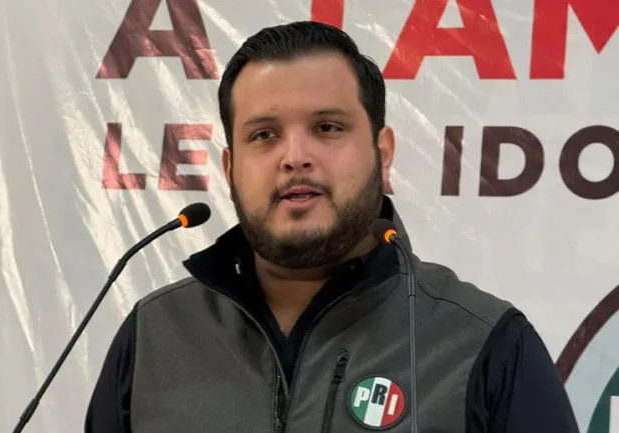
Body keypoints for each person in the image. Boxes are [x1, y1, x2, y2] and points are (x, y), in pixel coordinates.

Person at [85, 21, 580, 433]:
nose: (295, 157)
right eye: (265, 134)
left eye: (327, 128)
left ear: (382, 154)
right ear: (231, 167)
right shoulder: (152, 336)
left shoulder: (483, 342)